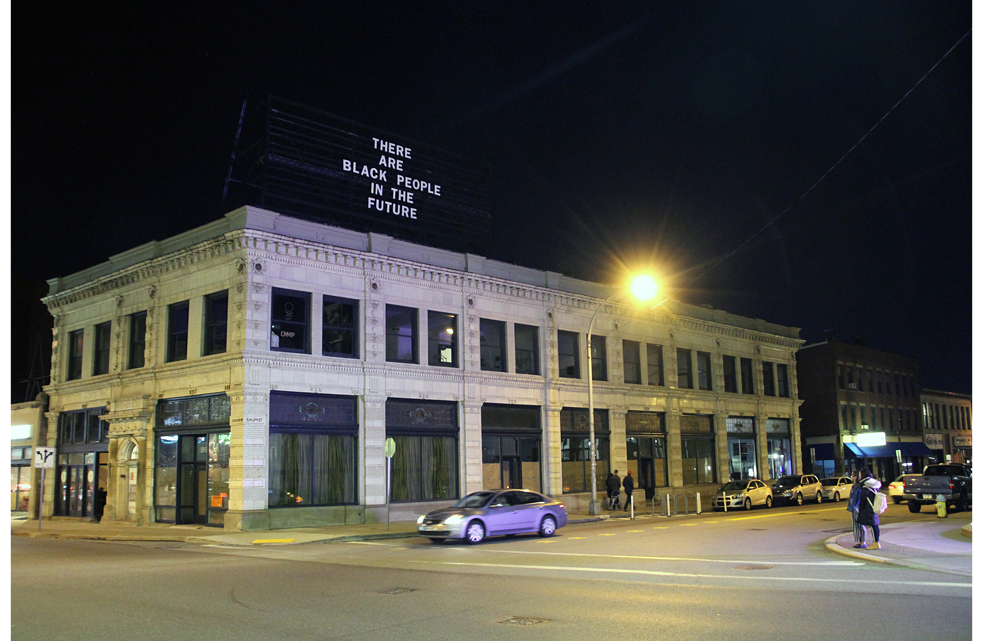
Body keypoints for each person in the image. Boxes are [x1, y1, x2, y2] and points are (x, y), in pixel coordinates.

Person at [855, 468, 882, 550]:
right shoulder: (873, 483)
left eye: (860, 474)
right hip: (874, 506)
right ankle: (876, 542)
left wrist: (861, 508)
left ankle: (876, 543)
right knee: (875, 525)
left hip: (868, 507)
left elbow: (863, 498)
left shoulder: (865, 485)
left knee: (873, 526)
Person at [846, 471, 863, 545]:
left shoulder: (857, 487)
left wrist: (853, 506)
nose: (851, 477)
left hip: (856, 507)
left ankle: (862, 541)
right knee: (857, 525)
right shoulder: (855, 486)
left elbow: (856, 498)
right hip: (855, 507)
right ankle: (860, 541)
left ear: (855, 477)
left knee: (859, 525)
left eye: (852, 475)